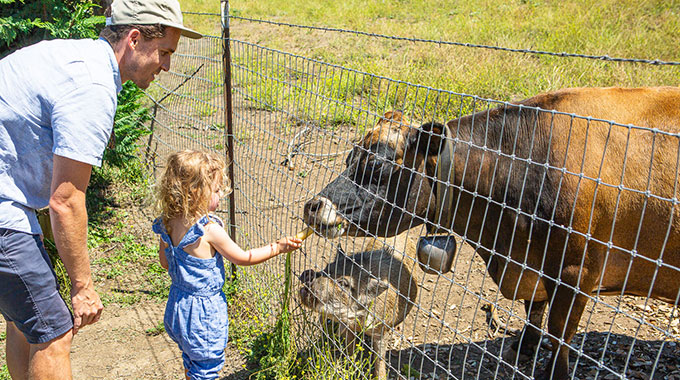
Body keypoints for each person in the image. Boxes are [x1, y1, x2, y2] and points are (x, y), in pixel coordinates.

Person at [0, 1, 201, 379]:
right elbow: (66, 201)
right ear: (135, 38)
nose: (167, 66)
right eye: (165, 53)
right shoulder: (92, 85)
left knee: (27, 318)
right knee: (54, 330)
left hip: (10, 201)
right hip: (3, 209)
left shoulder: (78, 58)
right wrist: (83, 286)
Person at [152, 150, 302, 380]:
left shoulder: (167, 222)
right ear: (196, 192)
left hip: (178, 308)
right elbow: (243, 257)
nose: (221, 194)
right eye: (216, 190)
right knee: (207, 368)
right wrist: (278, 247)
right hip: (203, 316)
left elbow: (165, 263)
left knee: (191, 359)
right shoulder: (209, 229)